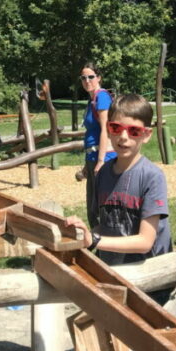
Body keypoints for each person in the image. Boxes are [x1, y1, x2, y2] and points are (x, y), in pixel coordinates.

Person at [66, 93, 176, 351]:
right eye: (116, 128)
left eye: (133, 130)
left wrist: (95, 241)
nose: (123, 137)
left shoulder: (151, 177)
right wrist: (82, 234)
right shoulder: (103, 176)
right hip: (118, 284)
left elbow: (146, 241)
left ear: (146, 134)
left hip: (151, 288)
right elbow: (100, 227)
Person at [76, 61, 116, 228]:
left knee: (102, 206)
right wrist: (88, 164)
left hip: (104, 157)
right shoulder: (91, 100)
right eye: (83, 77)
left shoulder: (102, 97)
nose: (87, 80)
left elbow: (106, 129)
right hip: (92, 157)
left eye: (91, 77)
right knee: (92, 208)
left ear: (98, 77)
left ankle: (108, 245)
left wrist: (100, 161)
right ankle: (97, 245)